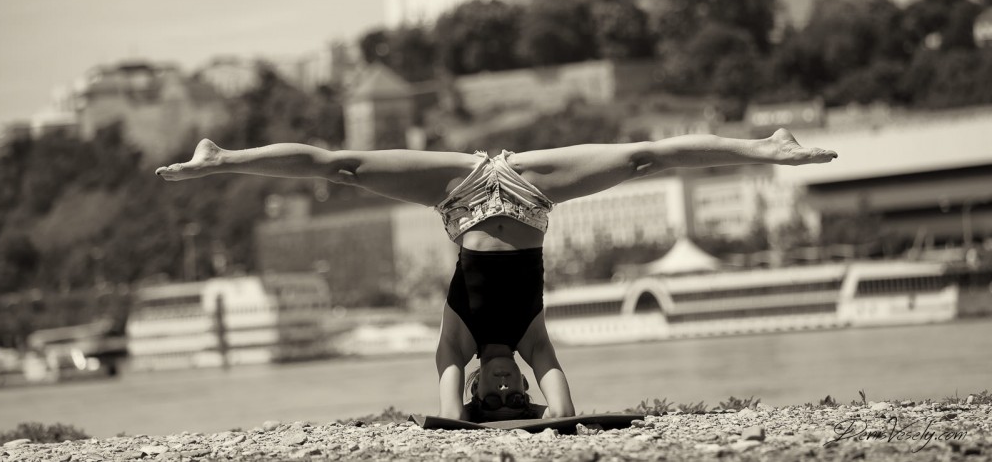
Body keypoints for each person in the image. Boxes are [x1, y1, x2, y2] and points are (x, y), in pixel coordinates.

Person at [156, 129, 836, 421]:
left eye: (499, 390)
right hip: (532, 191)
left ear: (482, 385)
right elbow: (562, 411)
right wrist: (541, 421)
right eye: (520, 391)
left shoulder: (456, 343)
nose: (511, 382)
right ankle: (764, 149)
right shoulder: (532, 337)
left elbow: (451, 422)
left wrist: (471, 425)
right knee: (640, 159)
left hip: (461, 190)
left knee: (346, 167)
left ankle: (223, 157)